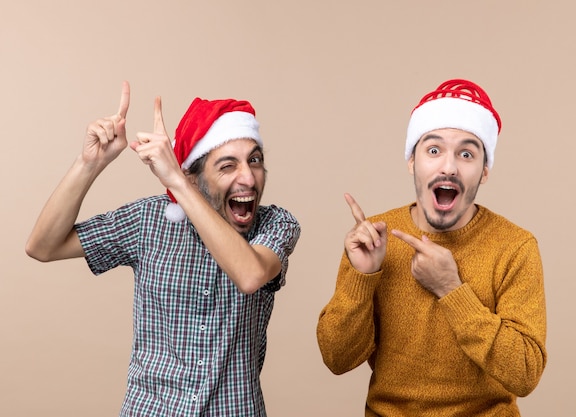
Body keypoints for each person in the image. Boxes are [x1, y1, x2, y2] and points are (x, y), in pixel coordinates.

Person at [25, 81, 301, 416]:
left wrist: (176, 183)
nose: (249, 177)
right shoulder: (148, 220)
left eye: (254, 160)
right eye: (228, 165)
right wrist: (89, 164)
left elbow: (250, 275)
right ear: (195, 177)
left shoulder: (276, 224)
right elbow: (43, 246)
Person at [316, 79, 547, 416]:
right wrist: (362, 278)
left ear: (484, 171)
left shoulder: (515, 247)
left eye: (466, 154)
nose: (449, 167)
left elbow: (525, 374)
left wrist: (452, 290)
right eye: (434, 150)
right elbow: (337, 359)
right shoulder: (376, 239)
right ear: (412, 161)